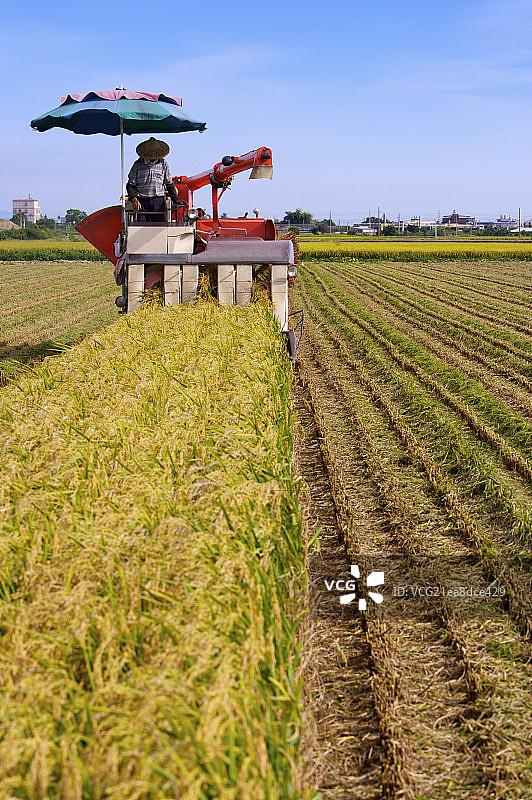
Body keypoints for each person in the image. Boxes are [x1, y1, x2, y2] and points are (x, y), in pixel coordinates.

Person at [126, 138, 182, 222]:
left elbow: (169, 184)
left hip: (158, 201)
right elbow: (130, 185)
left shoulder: (163, 163)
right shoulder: (137, 164)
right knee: (141, 228)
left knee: (161, 228)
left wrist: (176, 199)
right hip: (142, 202)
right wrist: (134, 199)